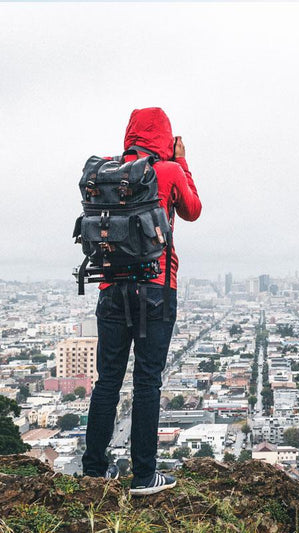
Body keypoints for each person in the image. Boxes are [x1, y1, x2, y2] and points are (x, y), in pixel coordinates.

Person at [81, 107, 202, 496]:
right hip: (155, 289)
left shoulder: (110, 174)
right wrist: (181, 160)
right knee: (147, 381)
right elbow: (193, 210)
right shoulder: (166, 171)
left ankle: (95, 469)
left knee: (108, 381)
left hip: (110, 289)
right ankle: (144, 476)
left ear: (130, 134)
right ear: (165, 137)